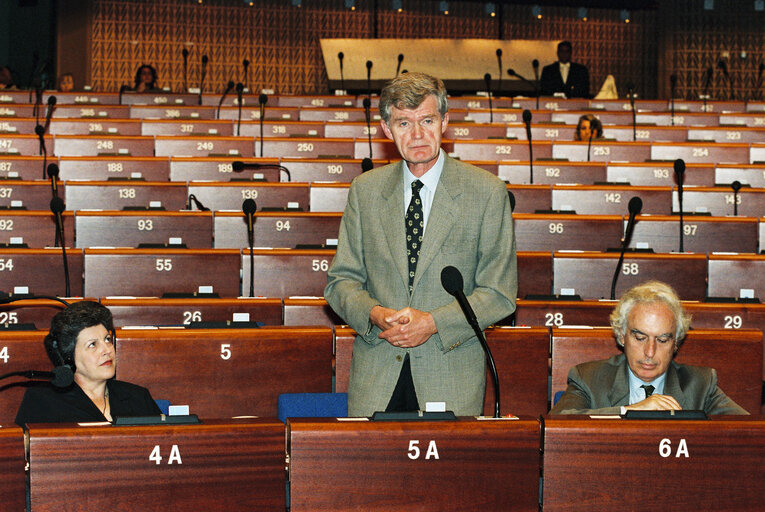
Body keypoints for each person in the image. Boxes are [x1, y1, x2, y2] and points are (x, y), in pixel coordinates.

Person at [325, 72, 517, 417]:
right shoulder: (365, 192)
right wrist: (375, 314)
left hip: (451, 373)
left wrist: (432, 322)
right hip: (377, 374)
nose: (416, 135)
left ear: (444, 121)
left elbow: (499, 294)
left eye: (427, 120)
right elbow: (341, 283)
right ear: (386, 129)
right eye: (403, 123)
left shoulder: (486, 193)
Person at [550, 281, 748, 415]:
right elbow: (558, 424)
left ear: (676, 342)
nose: (650, 352)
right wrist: (629, 411)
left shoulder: (701, 385)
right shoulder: (589, 378)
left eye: (662, 340)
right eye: (640, 337)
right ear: (621, 335)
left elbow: (749, 430)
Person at [15, 301, 161, 425]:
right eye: (92, 345)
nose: (106, 350)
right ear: (69, 357)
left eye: (107, 340)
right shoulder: (42, 401)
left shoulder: (138, 397)